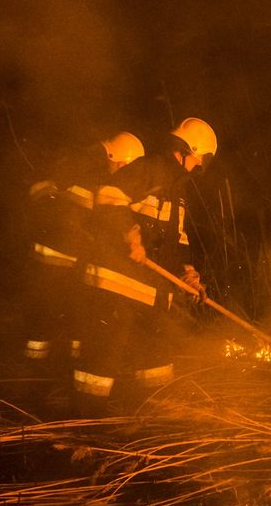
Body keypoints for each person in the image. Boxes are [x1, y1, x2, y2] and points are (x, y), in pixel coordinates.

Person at [71, 117, 217, 412]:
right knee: (100, 365)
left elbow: (177, 241)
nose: (197, 167)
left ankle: (150, 420)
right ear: (190, 151)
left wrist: (187, 275)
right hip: (116, 283)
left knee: (155, 362)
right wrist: (131, 234)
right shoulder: (151, 168)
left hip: (149, 293)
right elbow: (109, 195)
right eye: (198, 160)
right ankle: (83, 423)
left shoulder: (177, 190)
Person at [20, 131, 145, 390]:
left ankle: (51, 374)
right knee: (48, 317)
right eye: (123, 167)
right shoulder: (85, 166)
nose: (121, 173)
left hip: (69, 258)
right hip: (56, 257)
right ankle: (33, 378)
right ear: (119, 160)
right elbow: (49, 199)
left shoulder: (87, 163)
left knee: (70, 316)